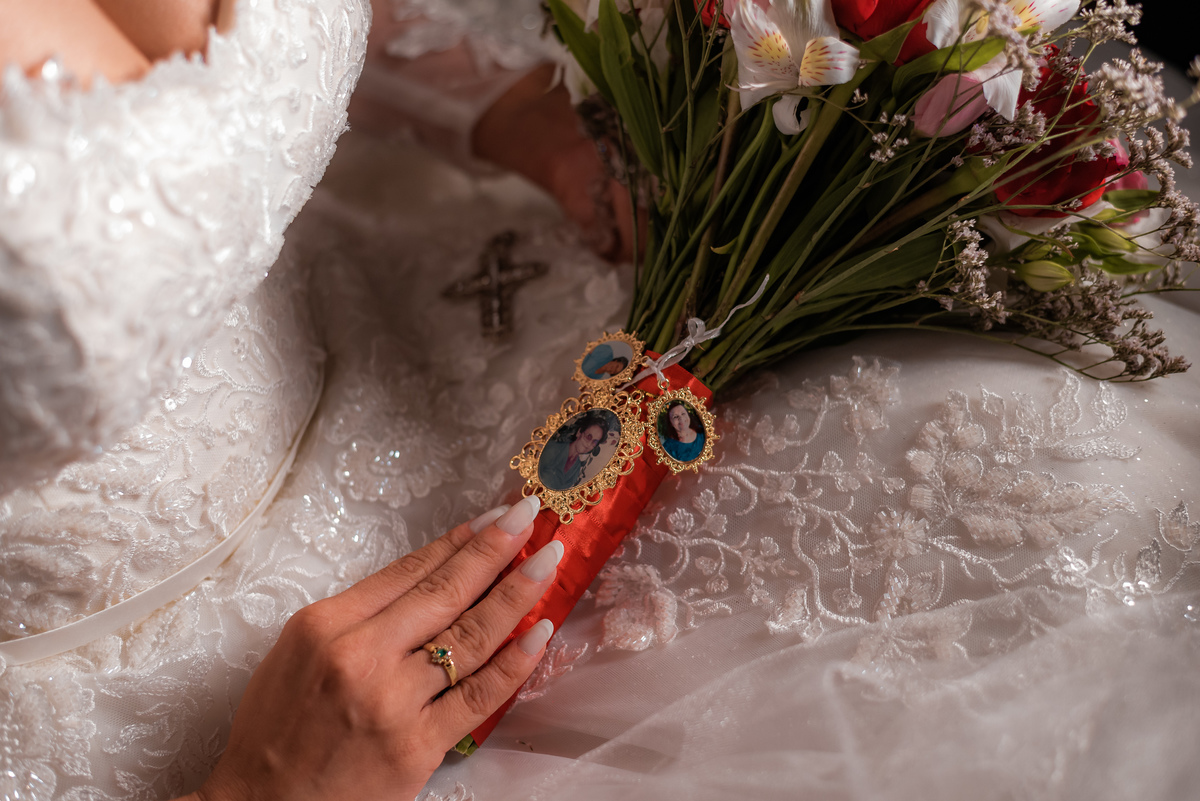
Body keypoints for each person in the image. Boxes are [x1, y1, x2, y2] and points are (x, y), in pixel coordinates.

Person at [3, 2, 1200, 800]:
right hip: (190, 718)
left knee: (1055, 490)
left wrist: (534, 122)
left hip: (420, 327)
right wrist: (249, 792)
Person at [537, 411, 615, 491]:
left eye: (594, 442)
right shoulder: (553, 449)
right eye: (588, 437)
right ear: (579, 432)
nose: (588, 444)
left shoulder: (577, 468)